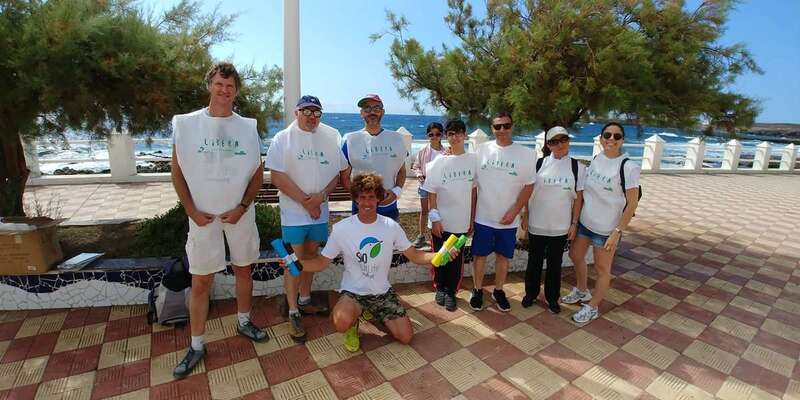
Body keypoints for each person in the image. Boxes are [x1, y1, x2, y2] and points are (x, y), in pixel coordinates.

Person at [279, 173, 454, 352]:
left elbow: (415, 255)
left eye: (371, 197)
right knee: (341, 323)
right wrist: (297, 263)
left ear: (378, 199)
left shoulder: (390, 226)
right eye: (362, 197)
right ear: (355, 199)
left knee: (406, 337)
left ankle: (373, 312)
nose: (367, 202)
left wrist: (438, 255)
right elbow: (322, 262)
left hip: (382, 293)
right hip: (353, 294)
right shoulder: (342, 228)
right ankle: (354, 323)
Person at [170, 62, 268, 379]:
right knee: (200, 280)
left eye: (230, 86)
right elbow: (177, 172)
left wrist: (242, 206)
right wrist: (191, 211)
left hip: (238, 214)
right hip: (202, 217)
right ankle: (196, 344)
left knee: (243, 268)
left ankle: (243, 321)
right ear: (209, 85)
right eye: (219, 84)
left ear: (236, 90)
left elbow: (256, 173)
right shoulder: (187, 125)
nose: (224, 90)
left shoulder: (246, 127)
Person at [265, 95, 349, 342]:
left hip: (319, 213)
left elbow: (338, 172)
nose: (312, 117)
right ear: (296, 113)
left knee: (311, 258)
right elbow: (277, 177)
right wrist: (306, 201)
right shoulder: (282, 139)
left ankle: (305, 300)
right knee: (294, 261)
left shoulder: (328, 137)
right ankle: (292, 311)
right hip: (294, 214)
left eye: (316, 113)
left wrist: (320, 196)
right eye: (307, 112)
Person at [564, 122, 641, 324]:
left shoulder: (629, 167)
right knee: (575, 255)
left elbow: (631, 204)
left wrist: (617, 232)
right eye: (607, 135)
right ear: (601, 138)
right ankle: (582, 291)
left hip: (607, 229)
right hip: (586, 222)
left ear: (622, 140)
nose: (611, 139)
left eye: (617, 136)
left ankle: (593, 307)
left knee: (602, 269)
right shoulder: (597, 159)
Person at [471, 111, 535, 312]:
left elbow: (529, 186)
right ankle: (477, 290)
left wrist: (515, 211)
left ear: (512, 126)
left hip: (509, 220)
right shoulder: (480, 150)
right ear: (492, 128)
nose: (502, 130)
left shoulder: (526, 154)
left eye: (506, 126)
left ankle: (499, 290)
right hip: (483, 216)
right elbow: (472, 183)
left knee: (503, 257)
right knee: (479, 257)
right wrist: (471, 216)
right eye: (497, 126)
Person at [522, 126, 586, 314]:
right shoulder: (538, 165)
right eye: (553, 141)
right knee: (533, 262)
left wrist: (574, 223)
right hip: (537, 224)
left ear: (568, 141)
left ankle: (552, 298)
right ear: (548, 145)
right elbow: (527, 192)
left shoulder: (578, 167)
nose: (559, 145)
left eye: (563, 140)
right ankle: (530, 294)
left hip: (560, 226)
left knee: (554, 265)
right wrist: (525, 214)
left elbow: (579, 199)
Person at [421, 119, 477, 311]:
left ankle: (451, 291)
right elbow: (431, 191)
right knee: (439, 257)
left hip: (461, 222)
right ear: (447, 136)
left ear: (465, 135)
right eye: (450, 133)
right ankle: (441, 289)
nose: (454, 137)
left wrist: (471, 219)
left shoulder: (473, 160)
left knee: (454, 259)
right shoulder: (439, 161)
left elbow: (474, 191)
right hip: (441, 222)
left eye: (458, 133)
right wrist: (435, 218)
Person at [341, 94, 407, 220]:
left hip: (389, 206)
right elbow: (344, 177)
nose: (372, 112)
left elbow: (402, 171)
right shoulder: (350, 140)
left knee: (389, 239)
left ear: (382, 112)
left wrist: (396, 192)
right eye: (367, 109)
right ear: (361, 113)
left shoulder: (396, 139)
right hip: (361, 208)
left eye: (376, 108)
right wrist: (361, 198)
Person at [411, 122, 445, 248]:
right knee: (425, 211)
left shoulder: (446, 151)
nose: (434, 137)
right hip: (425, 185)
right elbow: (416, 166)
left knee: (436, 211)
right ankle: (421, 236)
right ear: (427, 136)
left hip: (440, 188)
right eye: (431, 134)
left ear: (442, 135)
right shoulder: (423, 150)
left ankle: (436, 237)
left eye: (437, 134)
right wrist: (419, 175)